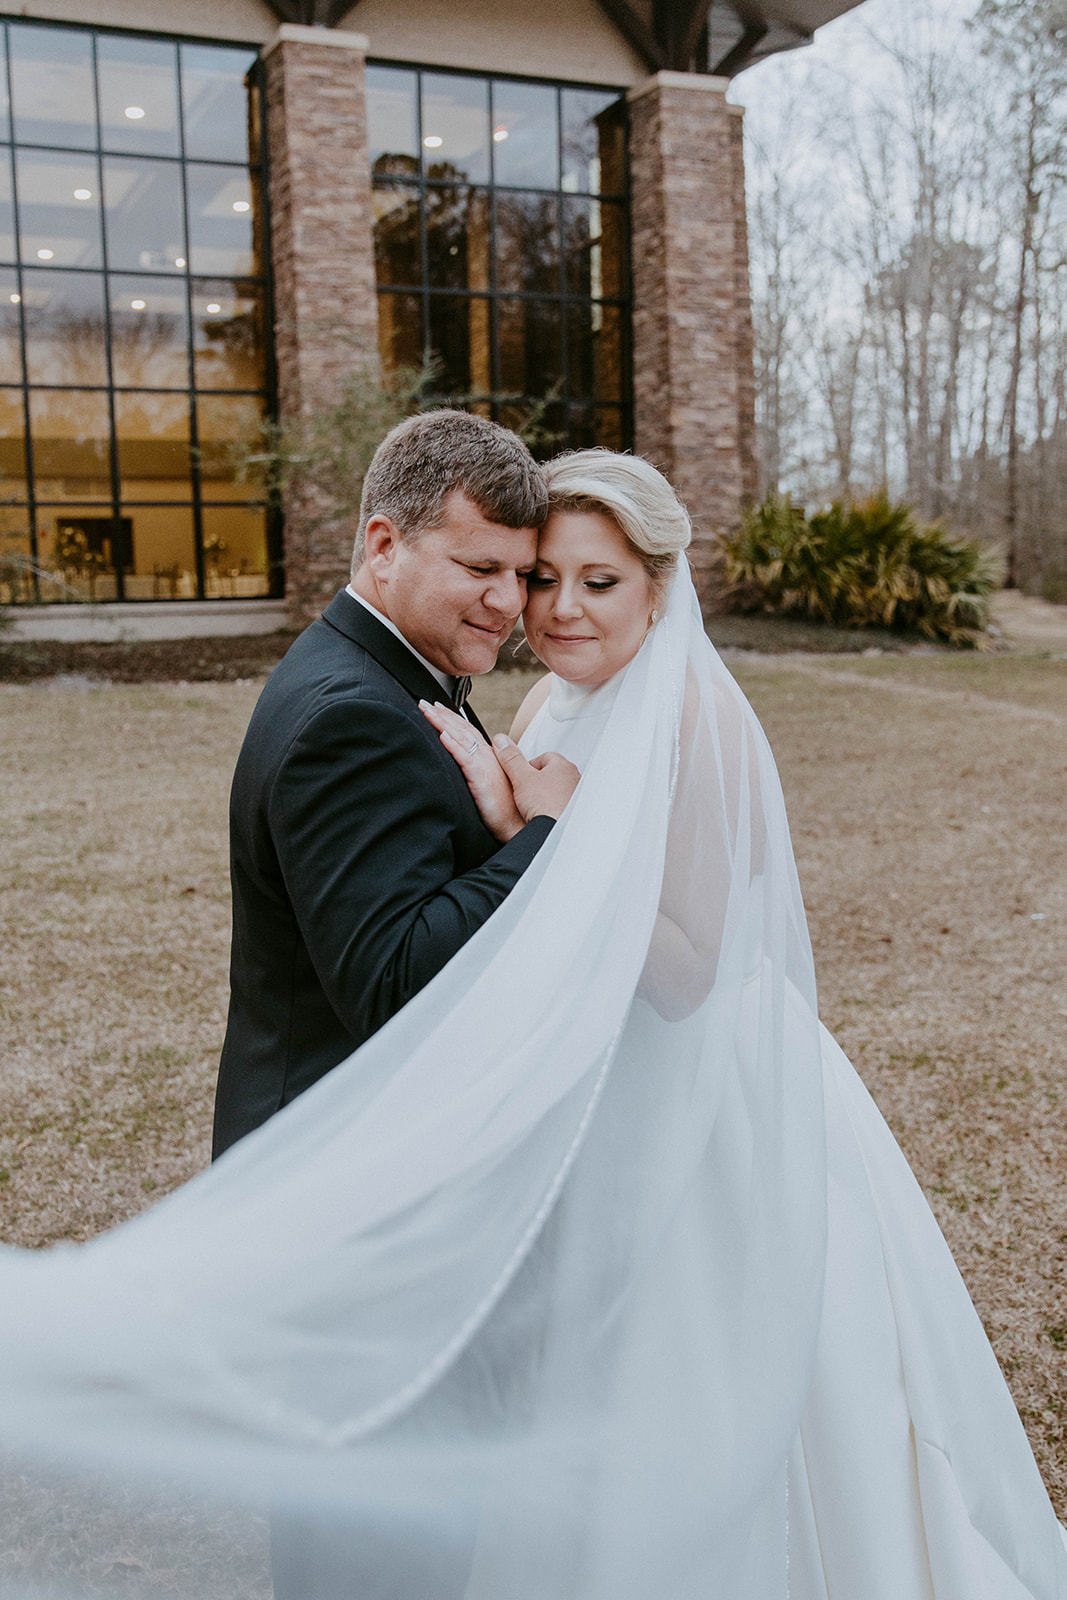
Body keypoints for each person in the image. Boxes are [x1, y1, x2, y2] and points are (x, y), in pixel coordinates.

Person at [0, 452, 1064, 1600]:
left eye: (593, 582)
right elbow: (493, 889)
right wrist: (533, 834)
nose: (548, 608)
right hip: (580, 1098)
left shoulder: (695, 713)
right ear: (385, 545)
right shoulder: (549, 699)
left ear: (659, 586)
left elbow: (691, 970)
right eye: (533, 575)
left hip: (696, 1097)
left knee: (699, 1376)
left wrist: (539, 838)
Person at [212, 408, 579, 1156]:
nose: (510, 603)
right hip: (329, 1160)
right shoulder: (352, 719)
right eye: (479, 569)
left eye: (521, 574)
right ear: (384, 547)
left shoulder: (379, 668)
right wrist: (547, 836)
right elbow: (392, 981)